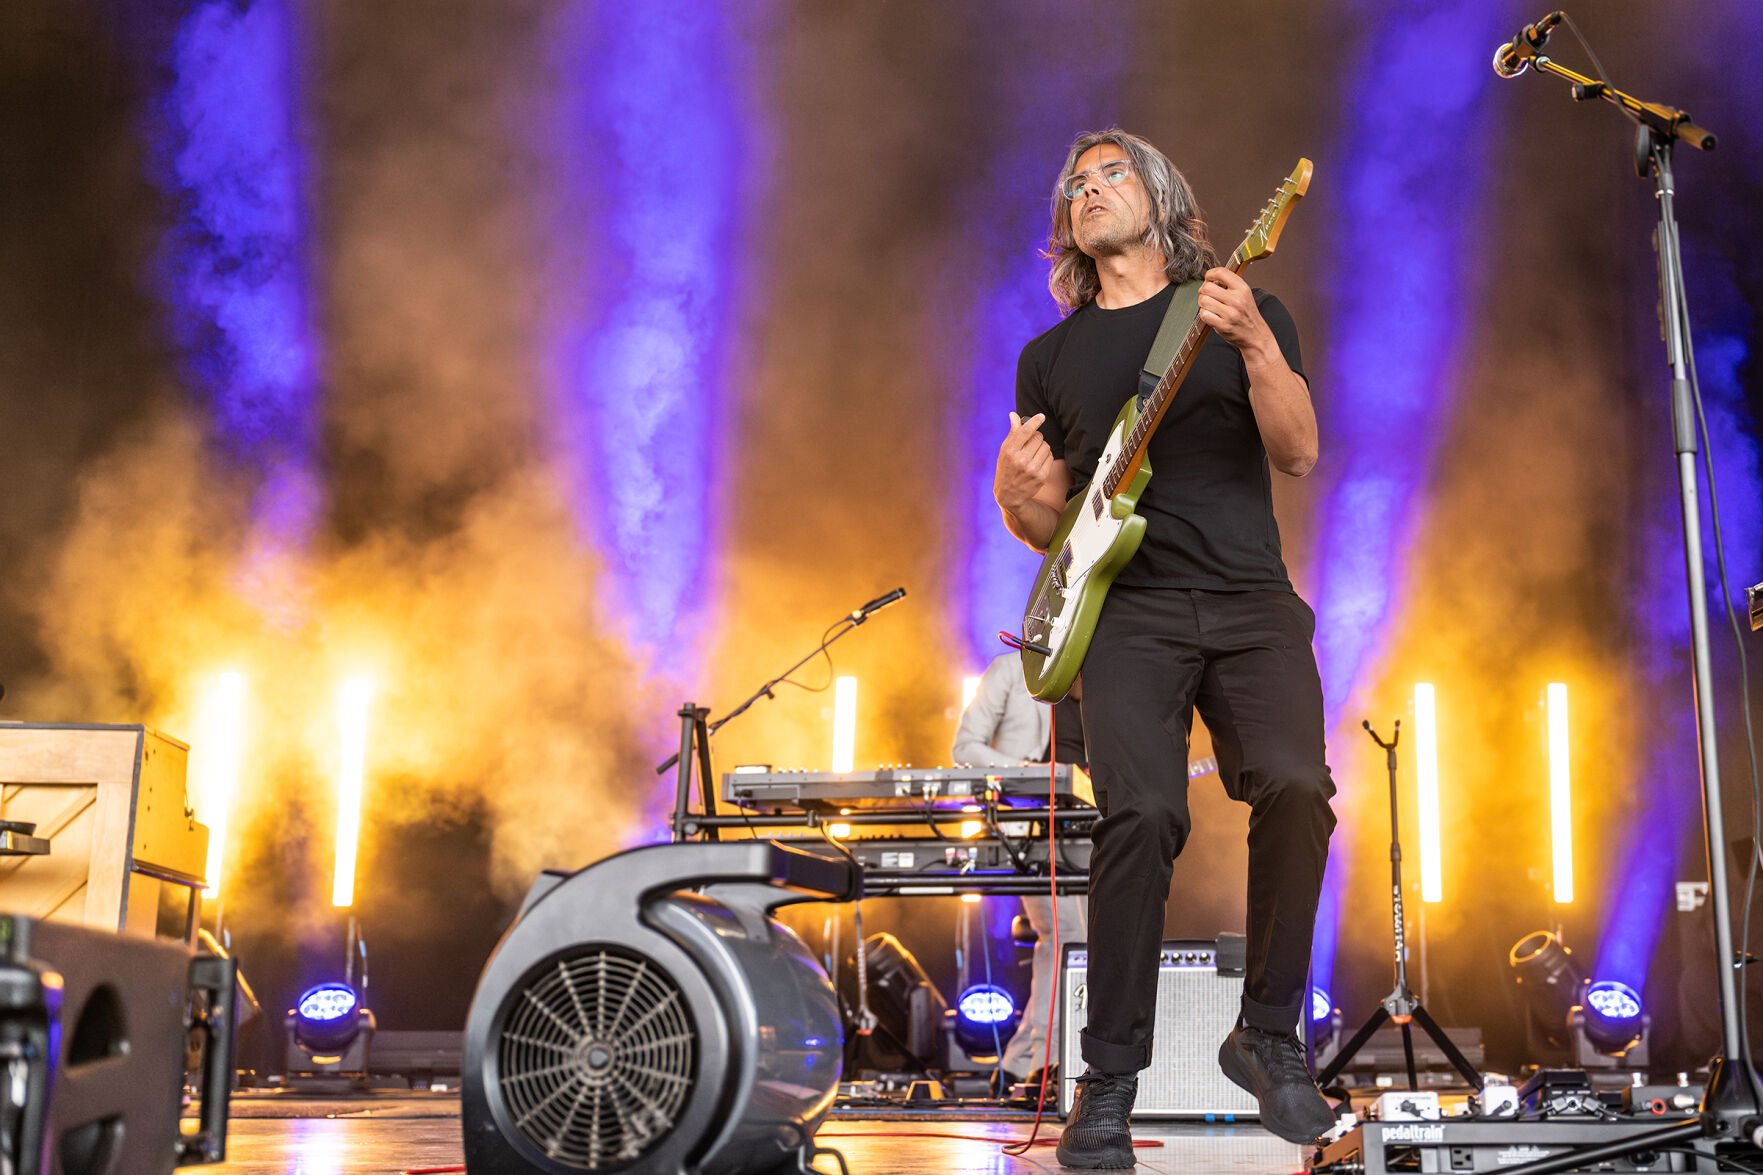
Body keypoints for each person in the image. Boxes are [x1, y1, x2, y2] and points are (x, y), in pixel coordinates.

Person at [993, 128, 1337, 1167]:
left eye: (1110, 175)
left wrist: (1259, 349)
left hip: (1245, 596)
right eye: (1075, 184)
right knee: (1137, 813)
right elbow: (1054, 520)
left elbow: (1299, 450)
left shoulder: (1235, 307)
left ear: (1159, 197)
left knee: (1293, 786)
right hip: (1127, 610)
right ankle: (1105, 1083)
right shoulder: (1047, 356)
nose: (1089, 190)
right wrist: (1014, 503)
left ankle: (1267, 1031)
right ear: (1066, 224)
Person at [951, 652, 1087, 1094]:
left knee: (1089, 944)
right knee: (1067, 937)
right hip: (1034, 821)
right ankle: (1040, 1062)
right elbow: (965, 747)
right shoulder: (1012, 670)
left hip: (1096, 820)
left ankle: (1027, 1061)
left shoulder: (1107, 669)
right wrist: (1029, 772)